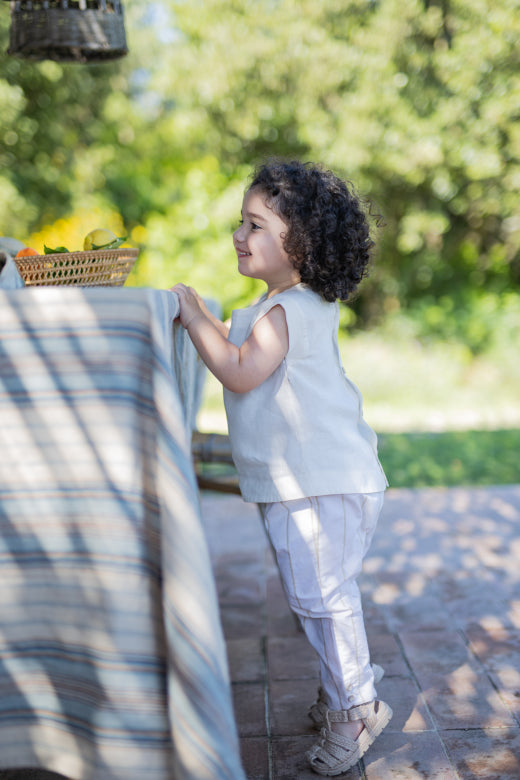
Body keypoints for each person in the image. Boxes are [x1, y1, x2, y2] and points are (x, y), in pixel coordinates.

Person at [172, 158, 392, 775]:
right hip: (314, 481)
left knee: (321, 596)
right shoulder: (280, 304)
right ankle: (345, 687)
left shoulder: (288, 311)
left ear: (303, 243)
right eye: (242, 222)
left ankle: (357, 708)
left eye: (257, 225)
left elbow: (241, 370)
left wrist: (193, 318)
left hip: (322, 483)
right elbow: (243, 351)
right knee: (316, 595)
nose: (240, 236)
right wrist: (206, 321)